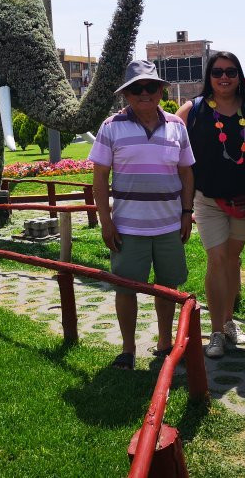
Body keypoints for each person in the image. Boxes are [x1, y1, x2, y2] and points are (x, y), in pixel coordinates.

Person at [90, 59, 195, 370]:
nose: (144, 93)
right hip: (128, 227)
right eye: (137, 88)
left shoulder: (177, 126)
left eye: (151, 87)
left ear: (161, 90)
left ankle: (164, 343)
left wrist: (187, 212)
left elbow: (187, 173)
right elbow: (99, 178)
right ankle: (128, 349)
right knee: (127, 288)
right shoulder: (111, 127)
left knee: (167, 287)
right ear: (127, 94)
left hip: (168, 225)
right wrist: (105, 221)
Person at [176, 52, 245, 358]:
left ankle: (228, 322)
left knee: (232, 260)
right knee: (216, 258)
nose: (223, 77)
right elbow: (169, 137)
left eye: (230, 71)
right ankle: (214, 332)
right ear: (208, 77)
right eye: (217, 72)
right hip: (208, 198)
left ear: (239, 75)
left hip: (244, 200)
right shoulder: (194, 108)